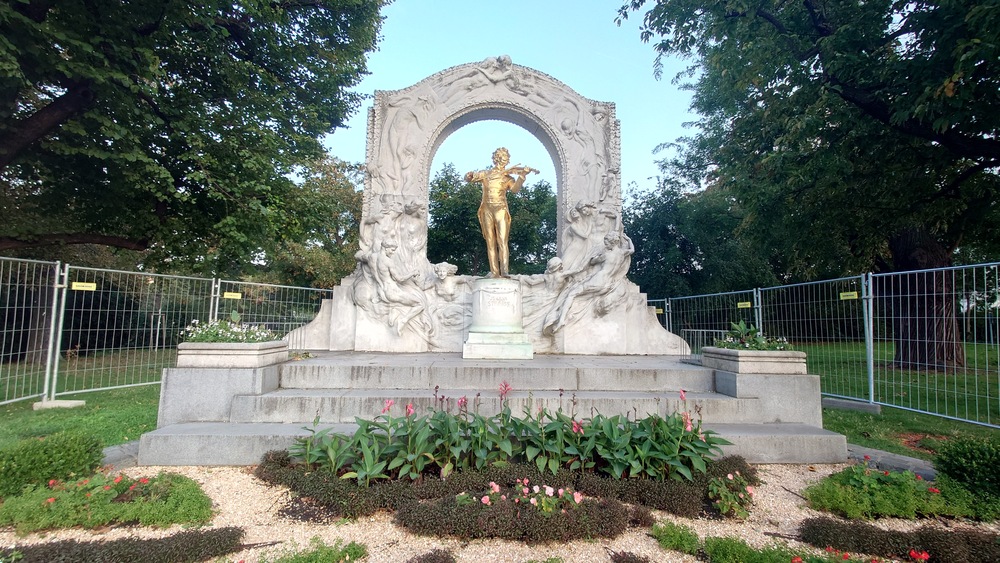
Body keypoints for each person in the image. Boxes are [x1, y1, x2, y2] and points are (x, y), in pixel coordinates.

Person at [465, 147, 537, 277]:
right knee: (490, 241)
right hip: (486, 209)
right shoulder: (486, 174)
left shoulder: (507, 177)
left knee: (502, 240)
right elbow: (470, 178)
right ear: (497, 158)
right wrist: (469, 176)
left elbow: (514, 190)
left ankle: (504, 271)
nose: (506, 161)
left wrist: (522, 176)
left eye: (507, 159)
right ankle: (494, 272)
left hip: (501, 209)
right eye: (504, 158)